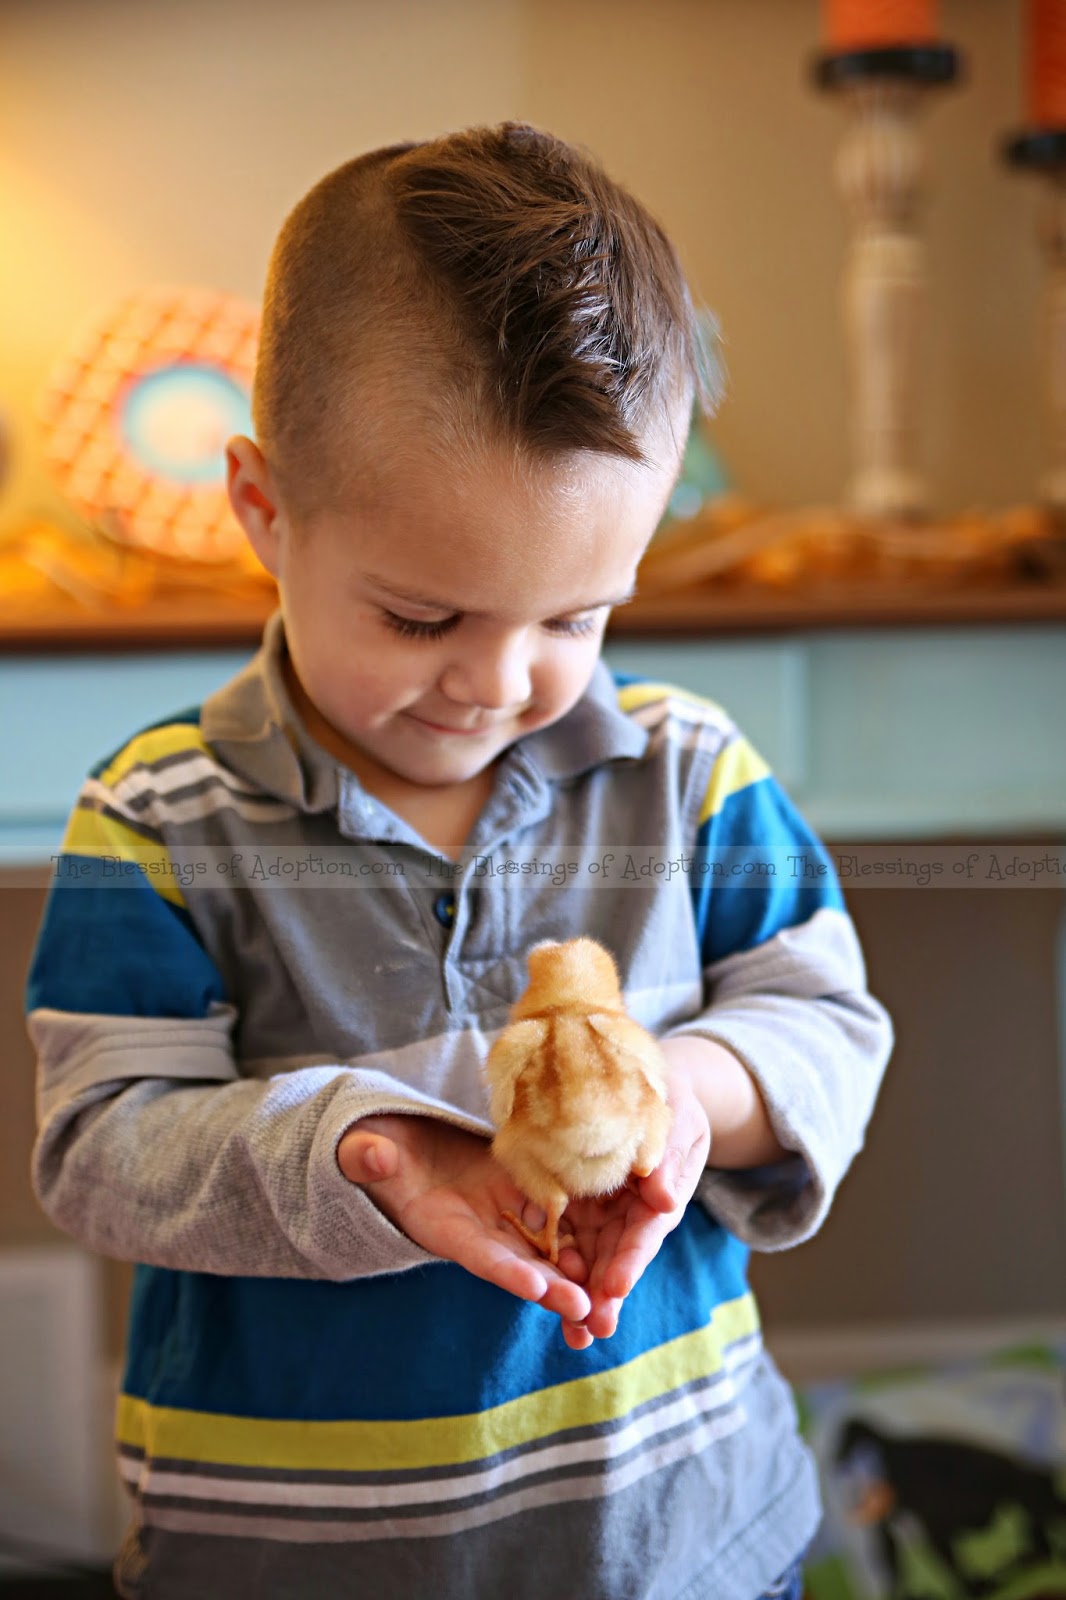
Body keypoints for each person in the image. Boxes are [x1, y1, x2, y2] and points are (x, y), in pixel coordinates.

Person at [26, 122, 892, 1600]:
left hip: (677, 1541)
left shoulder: (689, 774)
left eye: (574, 619)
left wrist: (682, 1092)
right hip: (288, 1558)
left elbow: (825, 1021)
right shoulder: (159, 816)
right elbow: (102, 1145)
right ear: (263, 510)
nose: (497, 682)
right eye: (422, 617)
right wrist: (362, 1153)